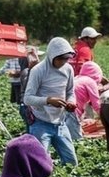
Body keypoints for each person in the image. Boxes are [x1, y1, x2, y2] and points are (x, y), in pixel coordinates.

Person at [23, 37, 78, 166]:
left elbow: (70, 92)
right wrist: (48, 100)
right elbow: (27, 98)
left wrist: (71, 102)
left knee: (71, 162)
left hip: (60, 123)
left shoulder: (68, 69)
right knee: (39, 163)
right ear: (52, 55)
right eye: (61, 58)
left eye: (66, 58)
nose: (64, 62)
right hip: (40, 122)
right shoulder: (38, 70)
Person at [68, 61, 104, 141]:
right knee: (77, 140)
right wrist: (106, 119)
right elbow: (97, 105)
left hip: (62, 108)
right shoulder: (90, 82)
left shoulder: (77, 78)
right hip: (72, 110)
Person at [18, 46, 44, 131]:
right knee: (33, 130)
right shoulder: (27, 72)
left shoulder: (29, 71)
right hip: (28, 107)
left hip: (28, 106)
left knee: (32, 128)